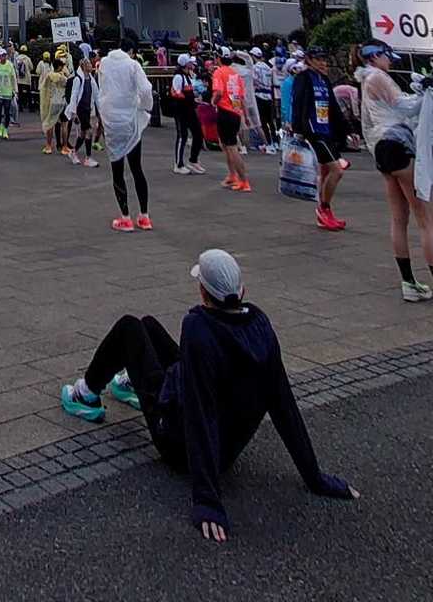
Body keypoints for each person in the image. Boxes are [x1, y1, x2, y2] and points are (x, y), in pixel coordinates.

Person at [59, 248, 358, 542]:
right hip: (226, 446)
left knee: (129, 327)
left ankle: (85, 394)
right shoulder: (259, 325)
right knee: (148, 324)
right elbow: (283, 403)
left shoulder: (198, 327)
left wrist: (207, 499)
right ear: (242, 291)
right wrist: (313, 476)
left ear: (202, 292)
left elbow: (199, 410)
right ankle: (129, 384)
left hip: (179, 444)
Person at [356, 41, 433, 299]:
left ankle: (408, 282)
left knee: (399, 217)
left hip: (382, 148)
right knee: (425, 217)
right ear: (375, 56)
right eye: (387, 57)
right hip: (397, 144)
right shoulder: (378, 77)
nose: (390, 62)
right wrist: (425, 92)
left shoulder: (366, 80)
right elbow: (405, 107)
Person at [290, 44, 349, 231]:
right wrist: (298, 129)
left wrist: (345, 129)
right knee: (337, 171)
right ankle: (324, 207)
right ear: (309, 60)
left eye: (324, 59)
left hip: (327, 130)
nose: (323, 63)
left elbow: (333, 106)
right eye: (318, 59)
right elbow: (297, 102)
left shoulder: (323, 79)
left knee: (325, 172)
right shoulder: (303, 78)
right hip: (313, 131)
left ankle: (324, 213)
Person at [97, 44, 153, 230]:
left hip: (111, 122)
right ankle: (144, 216)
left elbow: (102, 91)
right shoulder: (133, 65)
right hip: (130, 121)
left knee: (117, 170)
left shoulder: (104, 63)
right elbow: (146, 89)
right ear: (131, 51)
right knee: (137, 168)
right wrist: (144, 106)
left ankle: (125, 217)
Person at [211, 50, 250, 193]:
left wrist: (213, 102)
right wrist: (245, 115)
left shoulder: (219, 72)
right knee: (226, 145)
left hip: (225, 111)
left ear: (219, 58)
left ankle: (243, 180)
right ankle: (233, 175)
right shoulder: (235, 74)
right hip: (235, 111)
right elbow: (241, 97)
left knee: (231, 147)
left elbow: (219, 92)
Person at [63, 53, 99, 168]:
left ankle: (73, 152)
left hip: (87, 109)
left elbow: (96, 95)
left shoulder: (91, 79)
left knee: (83, 134)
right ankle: (88, 158)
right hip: (80, 109)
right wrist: (74, 112)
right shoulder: (78, 79)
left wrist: (100, 110)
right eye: (88, 64)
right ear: (83, 66)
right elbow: (74, 96)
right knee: (89, 131)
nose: (90, 65)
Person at [171, 54, 204, 175]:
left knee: (198, 134)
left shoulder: (187, 76)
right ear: (185, 64)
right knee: (182, 136)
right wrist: (189, 99)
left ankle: (193, 160)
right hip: (181, 111)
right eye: (190, 62)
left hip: (190, 110)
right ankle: (178, 164)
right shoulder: (179, 77)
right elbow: (176, 93)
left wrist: (193, 99)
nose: (192, 64)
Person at [39, 56, 67, 155]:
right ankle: (64, 147)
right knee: (64, 125)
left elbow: (43, 88)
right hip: (62, 102)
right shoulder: (63, 77)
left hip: (53, 102)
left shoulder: (49, 76)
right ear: (59, 67)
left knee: (50, 124)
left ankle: (48, 146)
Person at [250, 47, 278, 150]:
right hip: (269, 96)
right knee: (271, 121)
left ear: (253, 56)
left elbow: (254, 81)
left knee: (263, 121)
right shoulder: (268, 67)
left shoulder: (254, 68)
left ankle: (268, 142)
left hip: (259, 95)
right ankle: (275, 141)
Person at [0, 48, 16, 139]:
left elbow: (13, 78)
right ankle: (0, 126)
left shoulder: (10, 65)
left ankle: (5, 129)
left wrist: (15, 90)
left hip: (7, 92)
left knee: (7, 111)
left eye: (5, 55)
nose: (3, 57)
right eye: (1, 55)